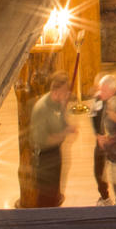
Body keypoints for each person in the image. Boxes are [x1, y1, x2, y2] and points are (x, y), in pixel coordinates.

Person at [28, 74, 75, 207]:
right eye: (65, 91)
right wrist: (64, 134)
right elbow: (42, 140)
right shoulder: (42, 109)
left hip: (55, 153)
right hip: (44, 159)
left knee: (54, 193)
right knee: (45, 198)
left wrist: (68, 127)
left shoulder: (57, 102)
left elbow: (61, 121)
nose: (67, 93)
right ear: (55, 92)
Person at [88, 73, 116, 204]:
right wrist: (98, 136)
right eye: (99, 89)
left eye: (103, 90)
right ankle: (105, 197)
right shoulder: (97, 100)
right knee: (98, 172)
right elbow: (93, 117)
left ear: (112, 91)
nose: (100, 93)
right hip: (101, 143)